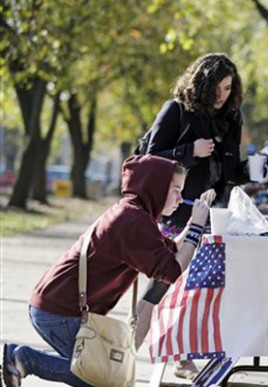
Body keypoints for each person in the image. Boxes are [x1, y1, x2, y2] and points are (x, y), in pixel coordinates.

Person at [1, 155, 210, 387]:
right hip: (57, 311)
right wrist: (197, 229)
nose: (180, 198)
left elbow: (169, 251)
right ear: (156, 187)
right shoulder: (133, 221)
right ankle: (24, 359)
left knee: (100, 373)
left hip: (55, 304)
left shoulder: (134, 214)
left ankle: (22, 359)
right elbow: (171, 270)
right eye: (176, 190)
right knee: (101, 376)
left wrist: (193, 226)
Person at [136, 52, 248, 379]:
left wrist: (251, 171)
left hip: (213, 213)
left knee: (199, 287)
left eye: (228, 89)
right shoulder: (177, 110)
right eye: (216, 88)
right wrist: (189, 151)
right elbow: (150, 157)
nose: (221, 96)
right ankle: (130, 347)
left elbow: (227, 173)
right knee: (166, 280)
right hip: (174, 210)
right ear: (201, 84)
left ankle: (183, 356)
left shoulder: (231, 118)